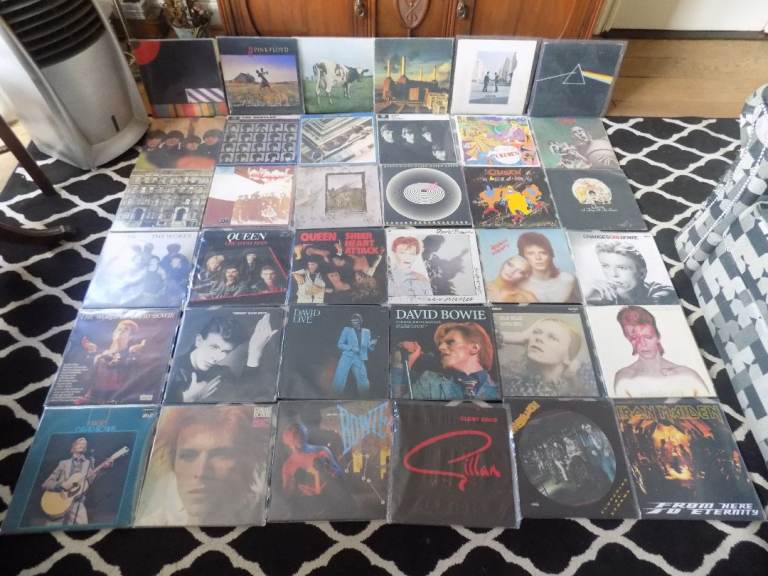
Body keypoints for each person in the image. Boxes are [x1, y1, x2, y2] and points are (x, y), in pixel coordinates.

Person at [135, 406, 267, 526]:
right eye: (188, 456)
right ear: (174, 463)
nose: (200, 472)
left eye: (221, 455)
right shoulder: (152, 525)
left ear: (250, 461)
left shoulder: (268, 514)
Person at [166, 313, 279, 403]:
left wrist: (254, 354)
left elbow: (246, 399)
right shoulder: (168, 370)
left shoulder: (223, 374)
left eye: (225, 351)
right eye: (213, 347)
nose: (216, 357)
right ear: (199, 341)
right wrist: (186, 400)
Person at [613, 306, 711, 397]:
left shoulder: (687, 374)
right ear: (628, 339)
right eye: (634, 338)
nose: (643, 344)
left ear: (658, 336)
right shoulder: (625, 377)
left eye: (648, 337)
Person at [392, 322, 500, 400]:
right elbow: (396, 411)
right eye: (440, 344)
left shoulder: (499, 390)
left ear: (474, 348)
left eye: (450, 342)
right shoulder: (429, 381)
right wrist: (404, 362)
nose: (441, 348)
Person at [498, 317, 597, 396]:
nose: (538, 338)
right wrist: (519, 336)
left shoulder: (583, 386)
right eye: (536, 332)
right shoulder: (508, 379)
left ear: (568, 357)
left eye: (552, 338)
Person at [41, 437, 111, 525]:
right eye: (79, 443)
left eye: (84, 444)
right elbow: (46, 483)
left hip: (77, 503)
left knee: (83, 528)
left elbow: (91, 481)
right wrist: (62, 485)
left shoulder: (88, 463)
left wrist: (103, 468)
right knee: (52, 528)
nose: (82, 445)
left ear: (85, 448)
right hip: (58, 501)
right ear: (73, 446)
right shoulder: (63, 463)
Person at [586, 240, 676, 305]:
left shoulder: (663, 292)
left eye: (622, 268)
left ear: (642, 273)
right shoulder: (601, 294)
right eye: (606, 266)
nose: (613, 274)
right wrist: (587, 297)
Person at [78, 319, 146, 404]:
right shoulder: (98, 354)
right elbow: (85, 377)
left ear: (130, 337)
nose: (121, 330)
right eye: (119, 328)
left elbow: (132, 379)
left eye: (125, 329)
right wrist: (91, 352)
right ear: (114, 333)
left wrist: (134, 355)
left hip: (116, 401)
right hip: (91, 399)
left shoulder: (130, 355)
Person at [516, 232, 578, 303]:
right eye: (531, 253)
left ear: (550, 254)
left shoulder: (568, 279)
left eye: (543, 252)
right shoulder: (520, 285)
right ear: (523, 257)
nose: (538, 258)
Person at [332, 313, 378, 396]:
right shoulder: (347, 330)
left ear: (361, 321)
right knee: (340, 377)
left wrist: (372, 344)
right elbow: (340, 344)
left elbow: (368, 347)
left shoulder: (366, 332)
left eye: (356, 321)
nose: (354, 323)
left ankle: (365, 398)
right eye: (353, 321)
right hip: (347, 356)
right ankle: (334, 396)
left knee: (363, 379)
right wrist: (351, 347)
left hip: (359, 357)